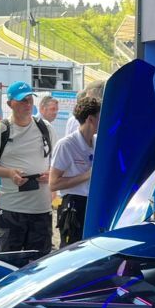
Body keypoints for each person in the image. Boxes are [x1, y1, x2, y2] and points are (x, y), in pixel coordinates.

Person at [0, 81, 54, 259]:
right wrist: (9, 173)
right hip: (10, 209)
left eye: (30, 99)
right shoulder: (0, 130)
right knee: (4, 264)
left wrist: (51, 174)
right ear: (10, 104)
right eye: (22, 101)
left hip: (41, 211)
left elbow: (55, 162)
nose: (27, 104)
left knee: (39, 267)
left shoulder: (45, 128)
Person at [48, 93, 98, 246]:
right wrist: (87, 176)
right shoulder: (66, 145)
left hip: (93, 203)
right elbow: (53, 183)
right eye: (102, 116)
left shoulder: (98, 142)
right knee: (73, 252)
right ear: (90, 119)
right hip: (74, 205)